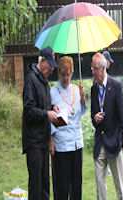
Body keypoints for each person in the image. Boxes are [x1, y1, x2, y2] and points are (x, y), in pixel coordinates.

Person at [22, 46, 60, 200]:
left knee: (45, 184)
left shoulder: (44, 82)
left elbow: (42, 106)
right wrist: (46, 114)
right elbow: (29, 110)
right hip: (34, 142)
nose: (51, 70)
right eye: (49, 66)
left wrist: (52, 108)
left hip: (43, 141)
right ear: (42, 60)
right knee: (36, 186)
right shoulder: (31, 79)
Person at [49, 56, 87, 200]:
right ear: (58, 74)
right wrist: (51, 139)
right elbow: (49, 119)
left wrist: (83, 99)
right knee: (61, 185)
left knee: (76, 184)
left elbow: (81, 113)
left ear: (72, 73)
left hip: (77, 143)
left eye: (68, 74)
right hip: (61, 145)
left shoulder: (77, 90)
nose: (66, 78)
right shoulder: (52, 92)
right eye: (63, 74)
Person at [91, 52, 123, 200]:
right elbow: (93, 117)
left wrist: (118, 139)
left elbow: (122, 120)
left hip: (114, 143)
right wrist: (95, 118)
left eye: (94, 68)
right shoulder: (93, 89)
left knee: (119, 186)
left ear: (102, 69)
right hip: (100, 143)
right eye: (92, 68)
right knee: (100, 186)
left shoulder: (116, 86)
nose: (92, 72)